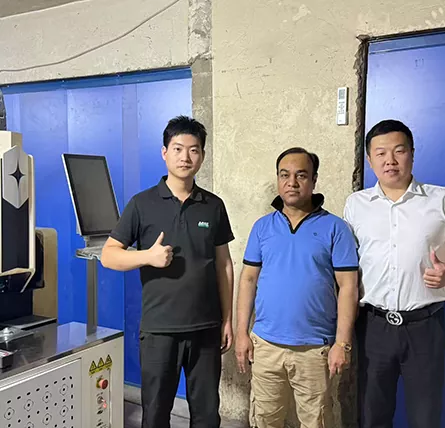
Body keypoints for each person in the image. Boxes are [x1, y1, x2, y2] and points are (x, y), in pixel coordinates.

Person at [101, 115, 235, 428]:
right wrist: (147, 256)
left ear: (202, 155)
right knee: (156, 415)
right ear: (164, 153)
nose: (185, 157)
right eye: (177, 149)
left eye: (193, 150)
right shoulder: (142, 204)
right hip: (160, 330)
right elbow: (109, 255)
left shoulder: (213, 205)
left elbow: (224, 265)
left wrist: (227, 319)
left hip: (206, 329)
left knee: (207, 416)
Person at [235, 147, 359, 428]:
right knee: (264, 420)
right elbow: (248, 280)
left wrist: (342, 343)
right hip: (266, 345)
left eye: (301, 175)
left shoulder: (335, 228)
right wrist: (242, 333)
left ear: (314, 180)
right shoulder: (262, 227)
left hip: (315, 350)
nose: (291, 182)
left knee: (316, 422)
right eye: (284, 175)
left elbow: (348, 287)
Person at [344, 119, 445, 428]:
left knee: (425, 418)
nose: (390, 160)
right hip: (373, 326)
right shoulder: (356, 205)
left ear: (412, 153)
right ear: (369, 159)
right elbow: (347, 268)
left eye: (399, 151)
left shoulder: (440, 200)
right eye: (381, 153)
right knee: (372, 415)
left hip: (427, 327)